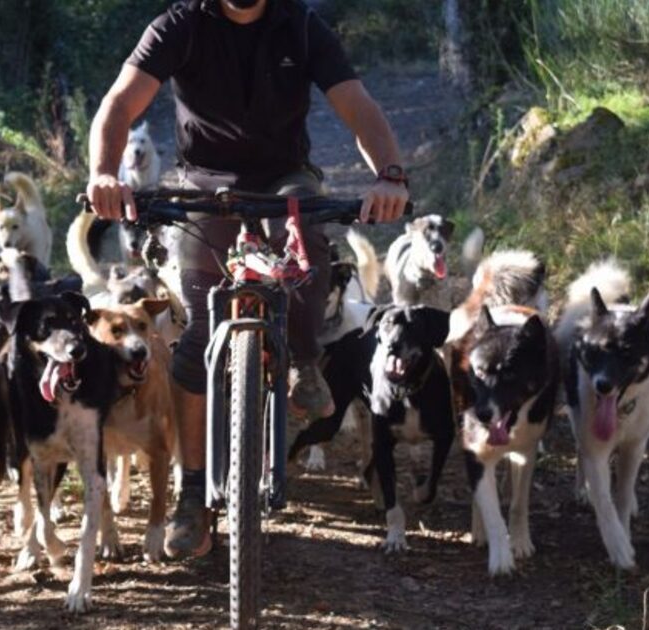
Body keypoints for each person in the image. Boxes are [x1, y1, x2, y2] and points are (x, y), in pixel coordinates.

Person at [86, 0, 409, 560]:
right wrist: (103, 174)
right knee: (196, 336)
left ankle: (305, 362)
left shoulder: (302, 26)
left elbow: (357, 105)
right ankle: (193, 497)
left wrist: (391, 176)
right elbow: (121, 101)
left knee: (305, 228)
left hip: (286, 179)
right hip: (202, 184)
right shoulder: (178, 25)